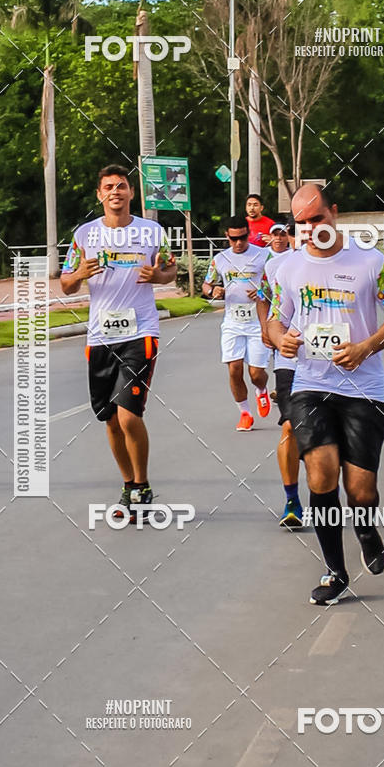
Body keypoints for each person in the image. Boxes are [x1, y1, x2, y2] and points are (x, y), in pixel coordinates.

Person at [267, 184, 384, 604]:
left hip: (364, 387)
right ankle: (335, 570)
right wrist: (281, 341)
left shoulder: (372, 263)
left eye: (317, 218)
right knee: (320, 473)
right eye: (302, 222)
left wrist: (366, 346)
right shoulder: (288, 268)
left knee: (361, 490)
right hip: (311, 384)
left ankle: (365, 527)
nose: (311, 228)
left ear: (334, 212)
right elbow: (275, 321)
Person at [61, 164, 176, 520]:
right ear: (100, 194)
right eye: (109, 187)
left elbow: (170, 269)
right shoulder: (84, 235)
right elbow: (66, 284)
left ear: (131, 193)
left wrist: (158, 275)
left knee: (128, 415)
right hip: (100, 336)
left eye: (122, 186)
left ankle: (142, 485)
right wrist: (78, 274)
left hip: (140, 332)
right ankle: (128, 485)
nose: (116, 192)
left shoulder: (152, 231)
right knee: (109, 418)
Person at [202, 215, 271, 431]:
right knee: (234, 369)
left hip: (257, 320)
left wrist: (261, 291)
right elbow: (206, 284)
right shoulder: (220, 259)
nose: (239, 243)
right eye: (234, 239)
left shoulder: (264, 255)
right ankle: (245, 413)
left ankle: (261, 390)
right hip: (232, 321)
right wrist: (213, 290)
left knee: (256, 374)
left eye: (242, 237)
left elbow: (277, 286)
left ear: (248, 233)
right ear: (227, 237)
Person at [257, 220, 304, 527]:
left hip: (331, 362)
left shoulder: (344, 260)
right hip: (290, 359)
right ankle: (292, 501)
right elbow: (265, 297)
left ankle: (329, 494)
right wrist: (269, 330)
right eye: (303, 226)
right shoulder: (279, 266)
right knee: (289, 428)